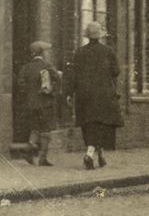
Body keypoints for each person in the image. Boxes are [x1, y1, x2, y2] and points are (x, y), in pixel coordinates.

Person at [66, 21, 122, 169]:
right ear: (100, 35)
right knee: (103, 123)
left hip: (84, 94)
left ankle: (99, 154)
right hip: (104, 93)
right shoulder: (108, 51)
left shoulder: (79, 52)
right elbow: (116, 72)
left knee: (89, 123)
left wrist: (69, 93)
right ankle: (91, 153)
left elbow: (73, 75)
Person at [17, 40, 60, 166]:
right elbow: (57, 80)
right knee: (46, 130)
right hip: (46, 103)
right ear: (42, 53)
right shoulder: (47, 65)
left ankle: (29, 152)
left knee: (35, 128)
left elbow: (21, 85)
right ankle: (42, 158)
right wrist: (52, 92)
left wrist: (29, 95)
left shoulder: (25, 68)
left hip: (31, 104)